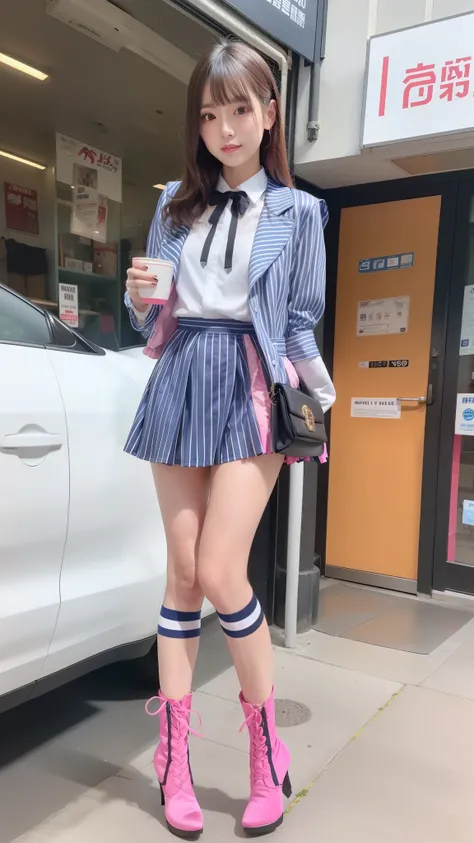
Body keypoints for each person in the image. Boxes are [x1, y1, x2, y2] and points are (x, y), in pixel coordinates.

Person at [124, 39, 335, 840]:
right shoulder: (176, 201)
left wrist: (319, 397)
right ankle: (173, 760)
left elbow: (303, 318)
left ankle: (263, 748)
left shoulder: (301, 211)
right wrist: (143, 294)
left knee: (220, 567)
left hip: (252, 380)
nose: (225, 129)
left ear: (270, 112)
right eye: (210, 115)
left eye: (240, 110)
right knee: (182, 574)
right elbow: (157, 310)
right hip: (181, 372)